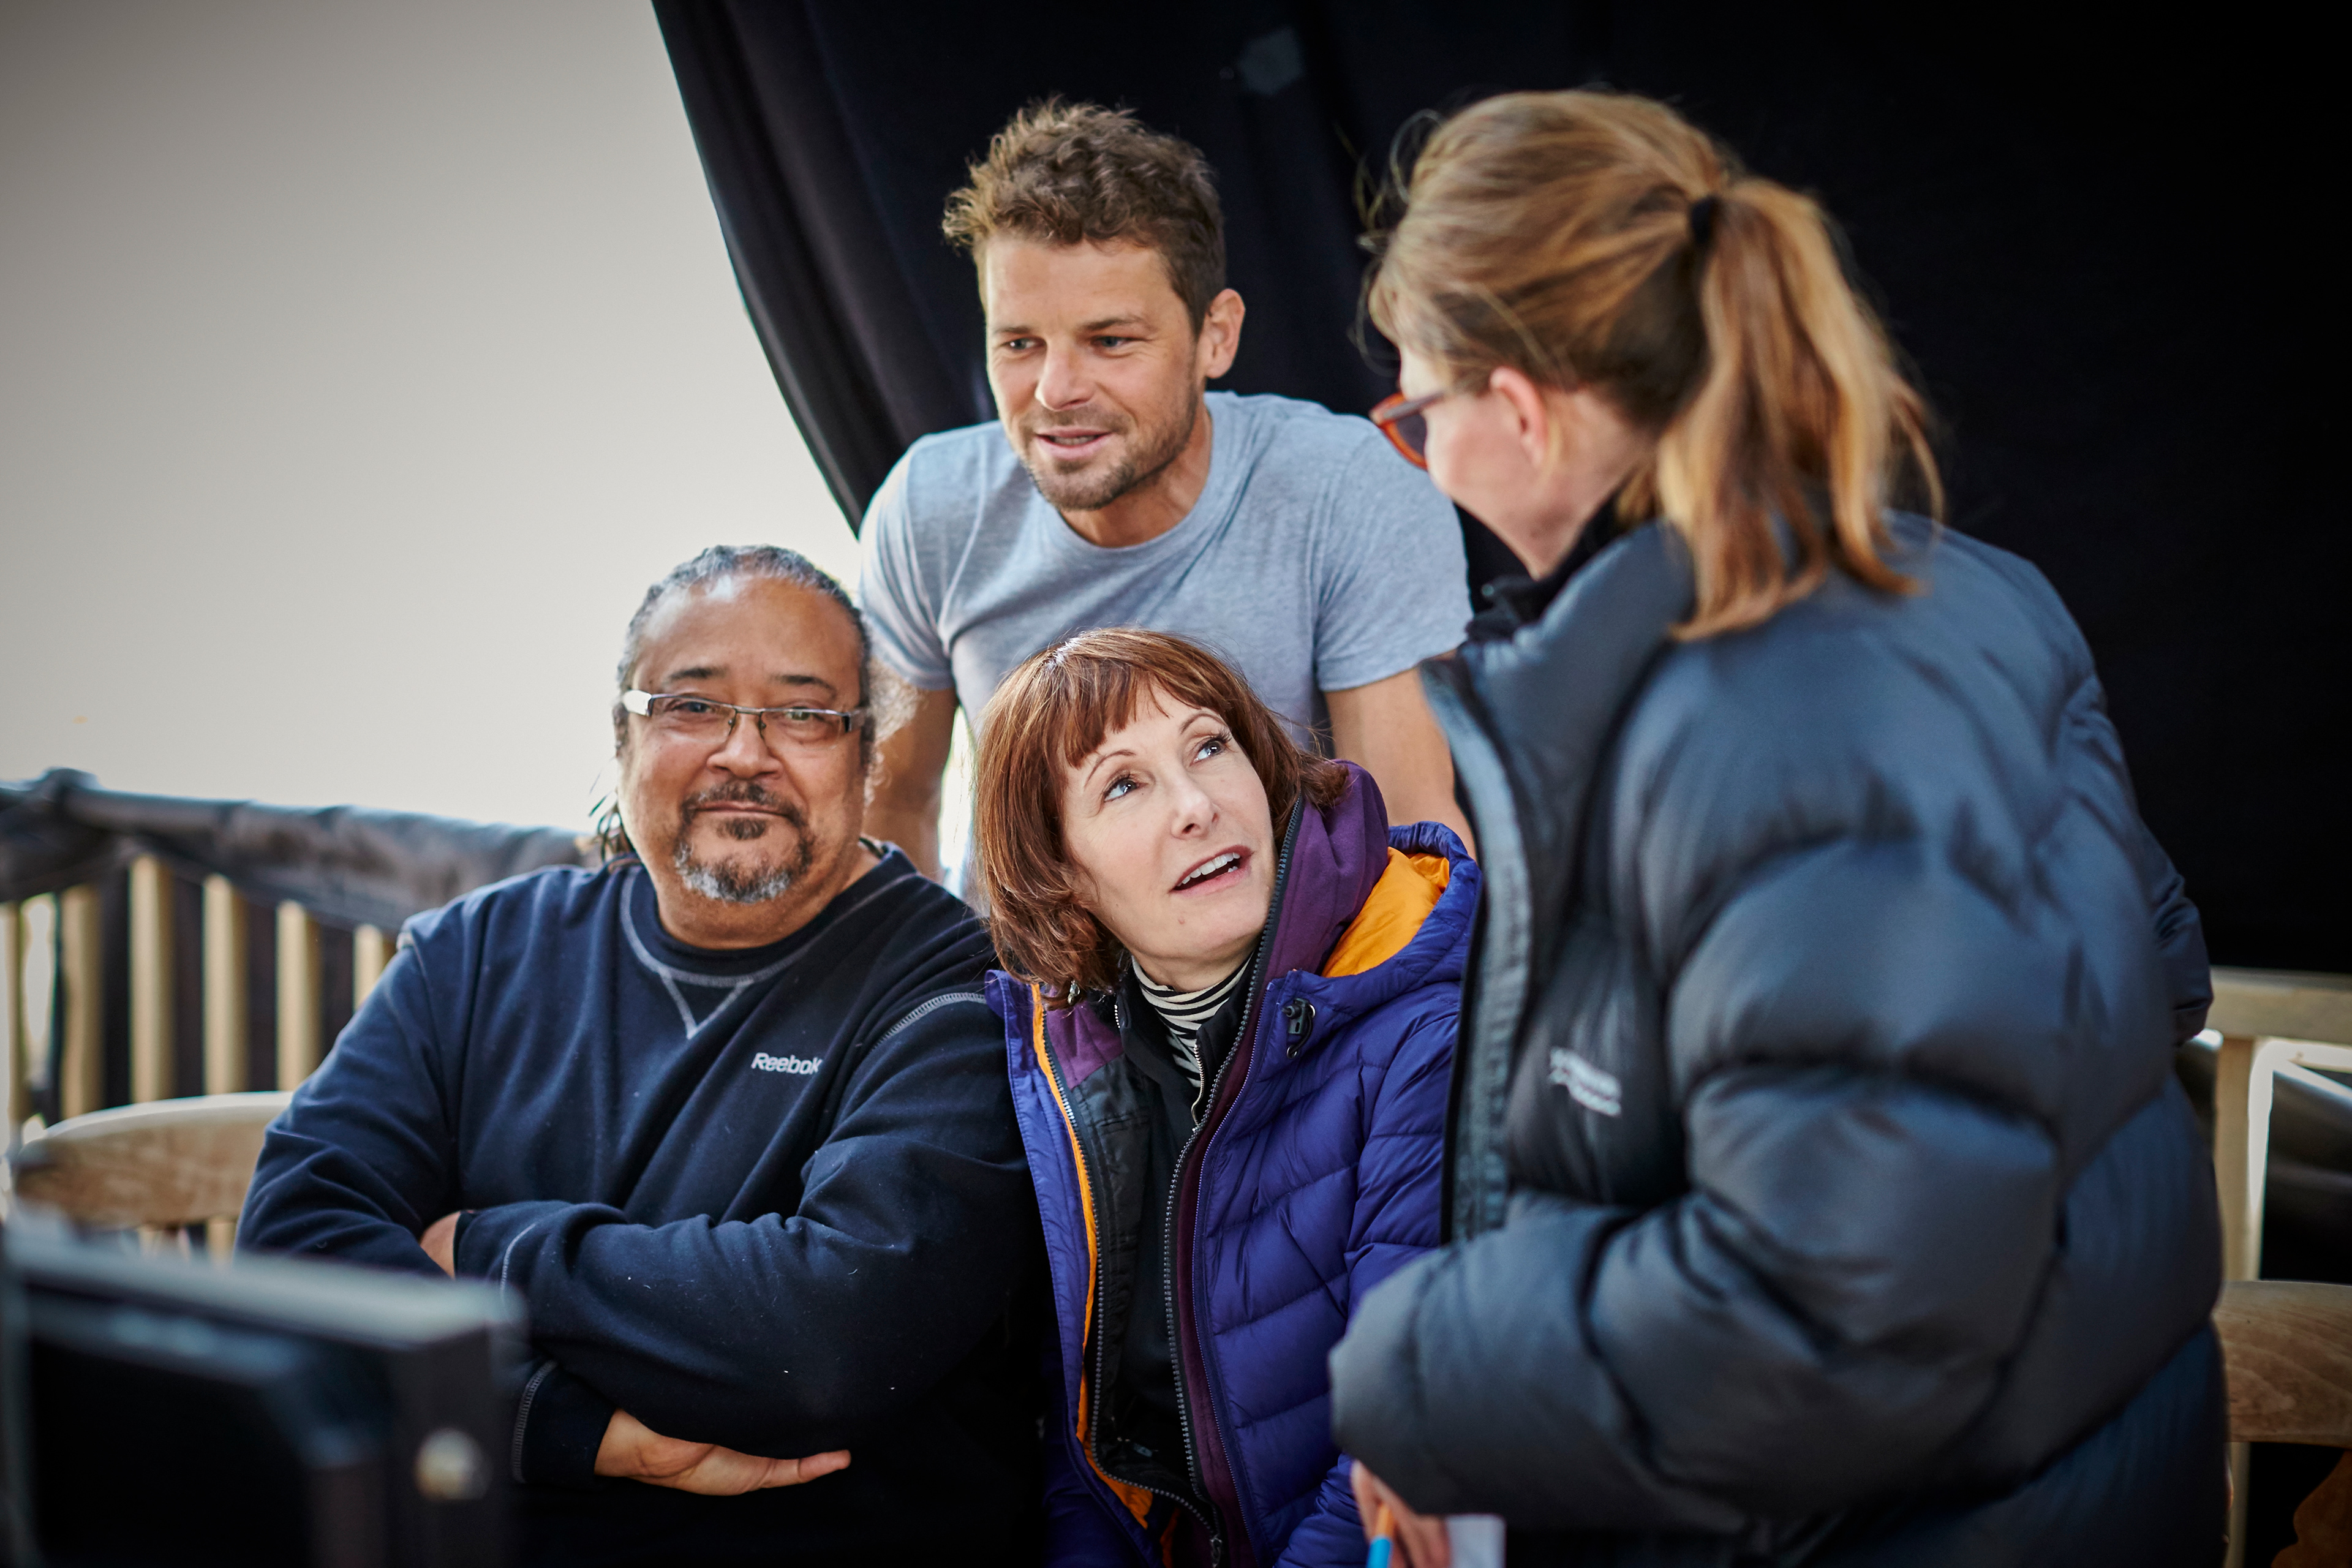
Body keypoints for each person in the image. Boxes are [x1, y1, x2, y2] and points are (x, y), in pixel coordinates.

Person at [1327, 91, 2224, 1567]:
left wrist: (1429, 1380)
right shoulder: (1959, 589)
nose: (1424, 461)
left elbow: (1833, 1312)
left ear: (1523, 412)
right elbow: (2148, 978)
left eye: (1417, 416)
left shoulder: (1757, 720)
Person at [238, 546, 1042, 1567]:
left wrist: (485, 1248)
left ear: (865, 757)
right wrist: (569, 1427)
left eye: (803, 714)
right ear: (622, 737)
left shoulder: (957, 987)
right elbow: (295, 1246)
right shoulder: (474, 954)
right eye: (693, 706)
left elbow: (827, 1339)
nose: (745, 753)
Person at [859, 99, 1474, 883]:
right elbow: (892, 808)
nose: (1054, 389)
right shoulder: (928, 507)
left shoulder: (1350, 488)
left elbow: (1407, 850)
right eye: (1019, 343)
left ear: (1217, 336)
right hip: (1016, 960)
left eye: (1110, 341)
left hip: (1289, 956)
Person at [973, 629, 1475, 1566]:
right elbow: (1087, 1455)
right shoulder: (1072, 1077)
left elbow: (1400, 1441)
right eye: (1124, 786)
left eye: (1209, 746)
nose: (1197, 807)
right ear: (1061, 877)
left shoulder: (1420, 1031)